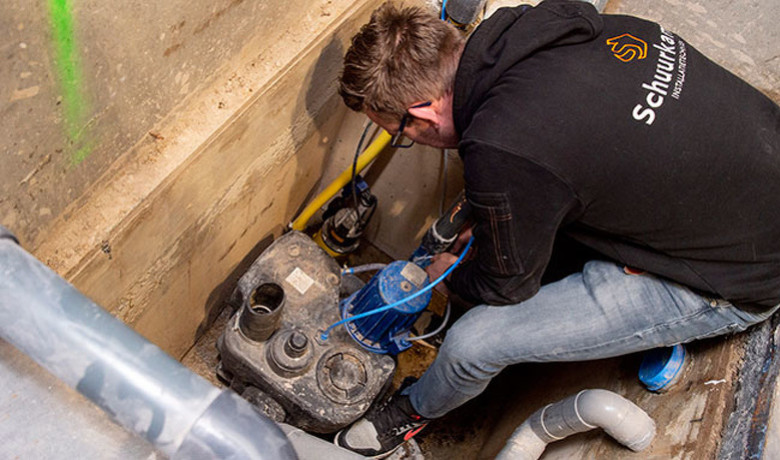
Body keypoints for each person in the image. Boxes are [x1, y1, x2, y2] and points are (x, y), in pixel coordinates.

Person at [334, 0, 780, 456]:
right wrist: (500, 224)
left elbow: (504, 285)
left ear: (424, 112)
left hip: (739, 277)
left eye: (400, 134)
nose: (409, 141)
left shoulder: (501, 145)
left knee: (473, 345)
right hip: (755, 180)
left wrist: (449, 276)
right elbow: (560, 157)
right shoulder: (544, 24)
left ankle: (413, 413)